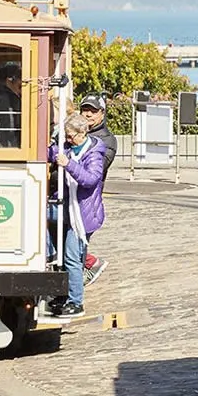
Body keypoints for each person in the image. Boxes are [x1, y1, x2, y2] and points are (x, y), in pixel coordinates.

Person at [45, 113, 107, 320]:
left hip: (83, 214)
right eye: (67, 136)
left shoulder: (94, 153)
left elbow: (90, 179)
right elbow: (52, 152)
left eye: (71, 137)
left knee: (72, 257)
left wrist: (68, 164)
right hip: (65, 207)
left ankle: (75, 301)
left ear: (82, 133)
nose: (68, 140)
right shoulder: (67, 147)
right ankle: (61, 295)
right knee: (57, 252)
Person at [78, 94, 118, 278]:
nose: (87, 115)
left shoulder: (107, 140)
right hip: (72, 199)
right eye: (85, 110)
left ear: (102, 113)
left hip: (87, 202)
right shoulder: (75, 132)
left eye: (92, 111)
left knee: (76, 247)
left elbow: (94, 172)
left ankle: (89, 267)